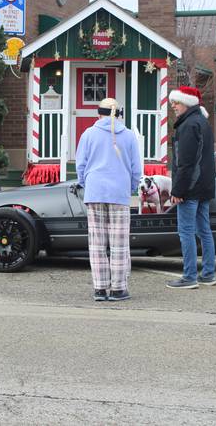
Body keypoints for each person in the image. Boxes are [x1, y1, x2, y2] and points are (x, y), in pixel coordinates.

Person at [75, 98, 143, 301]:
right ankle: (118, 289)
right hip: (118, 193)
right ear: (119, 114)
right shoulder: (129, 136)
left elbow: (81, 165)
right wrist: (129, 188)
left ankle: (100, 288)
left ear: (99, 114)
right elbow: (136, 169)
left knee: (96, 243)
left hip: (95, 191)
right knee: (119, 244)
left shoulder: (88, 134)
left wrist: (86, 184)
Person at [165, 86, 216, 290]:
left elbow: (185, 163)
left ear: (186, 102)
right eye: (172, 103)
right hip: (204, 186)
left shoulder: (188, 126)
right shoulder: (202, 122)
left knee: (185, 231)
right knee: (204, 230)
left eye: (176, 103)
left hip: (190, 188)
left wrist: (178, 190)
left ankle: (189, 276)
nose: (173, 107)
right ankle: (209, 274)